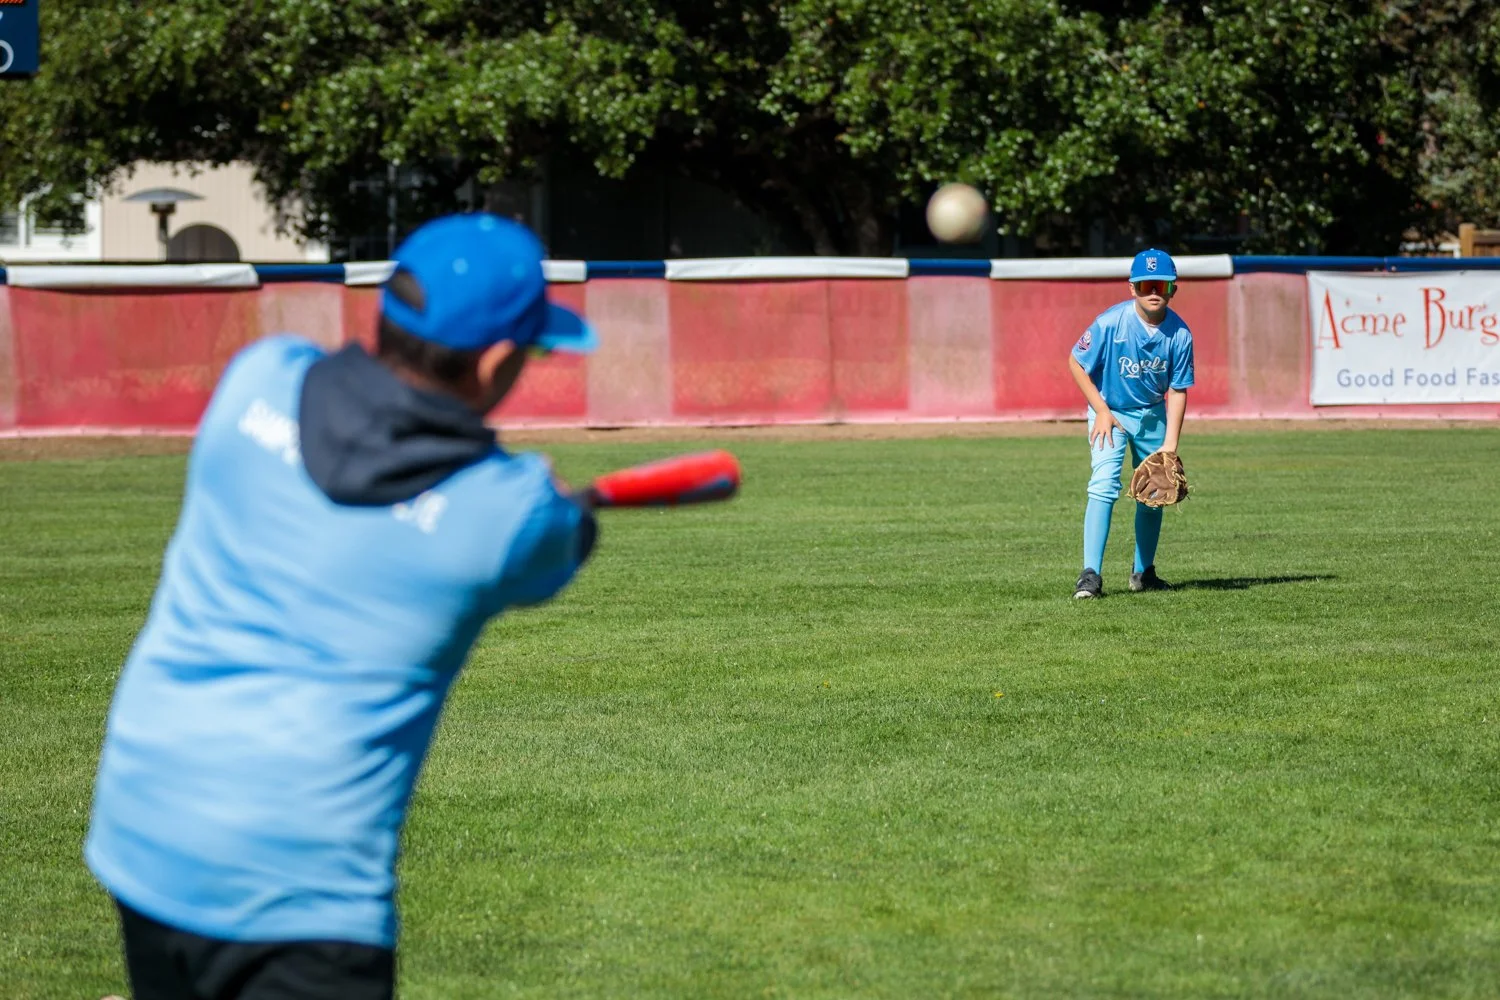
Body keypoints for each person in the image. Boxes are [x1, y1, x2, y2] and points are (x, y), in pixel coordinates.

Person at [84, 213, 600, 999]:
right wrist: (555, 502)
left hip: (145, 824)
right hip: (299, 895)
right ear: (497, 360)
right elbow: (563, 539)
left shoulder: (258, 378)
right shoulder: (510, 514)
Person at [1066, 247, 1194, 599]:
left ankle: (1143, 572)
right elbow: (1076, 362)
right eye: (1144, 285)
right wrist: (1101, 410)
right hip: (1110, 412)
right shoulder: (1111, 323)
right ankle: (1090, 575)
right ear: (1132, 288)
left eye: (1161, 285)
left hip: (1152, 415)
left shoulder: (1180, 335)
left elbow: (1178, 390)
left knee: (1154, 490)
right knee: (1104, 484)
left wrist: (1170, 446)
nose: (1153, 291)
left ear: (1173, 289)